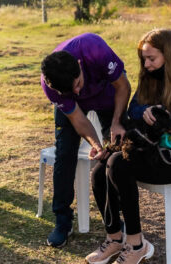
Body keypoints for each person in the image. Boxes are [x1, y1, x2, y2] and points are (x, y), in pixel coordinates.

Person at [85, 28, 171, 264]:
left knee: (118, 164)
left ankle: (137, 244)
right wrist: (145, 112)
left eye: (151, 58)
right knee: (99, 169)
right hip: (158, 147)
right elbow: (134, 108)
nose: (146, 65)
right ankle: (115, 238)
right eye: (143, 59)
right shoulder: (152, 76)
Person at [40, 33, 131, 247]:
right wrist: (96, 145)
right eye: (71, 92)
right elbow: (78, 119)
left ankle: (116, 216)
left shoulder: (93, 48)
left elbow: (123, 86)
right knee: (64, 152)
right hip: (73, 107)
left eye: (78, 83)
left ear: (80, 64)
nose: (78, 92)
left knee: (118, 151)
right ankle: (63, 221)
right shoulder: (51, 85)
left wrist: (117, 122)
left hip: (109, 95)